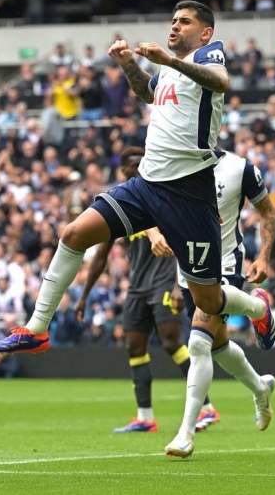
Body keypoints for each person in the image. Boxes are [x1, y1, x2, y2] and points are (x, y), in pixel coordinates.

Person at [0, 1, 275, 357]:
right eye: (172, 20)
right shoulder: (170, 72)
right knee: (74, 233)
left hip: (189, 192)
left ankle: (259, 308)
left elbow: (222, 82)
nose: (174, 27)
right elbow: (146, 92)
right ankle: (36, 329)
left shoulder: (207, 55)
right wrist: (128, 64)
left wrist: (168, 60)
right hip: (148, 183)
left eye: (184, 22)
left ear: (205, 32)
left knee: (209, 301)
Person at [75, 147, 219, 433]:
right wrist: (83, 295)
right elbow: (102, 255)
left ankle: (207, 408)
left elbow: (187, 239)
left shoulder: (165, 198)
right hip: (137, 287)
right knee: (134, 346)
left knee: (170, 341)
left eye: (139, 164)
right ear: (123, 171)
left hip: (165, 283)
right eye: (130, 166)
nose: (134, 169)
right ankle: (145, 417)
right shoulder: (127, 205)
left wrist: (181, 285)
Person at [165, 150, 275, 458]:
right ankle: (260, 388)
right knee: (218, 347)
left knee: (198, 344)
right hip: (186, 271)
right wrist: (154, 234)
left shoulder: (239, 168)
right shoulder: (174, 162)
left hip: (226, 267)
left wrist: (264, 256)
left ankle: (186, 434)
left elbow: (267, 212)